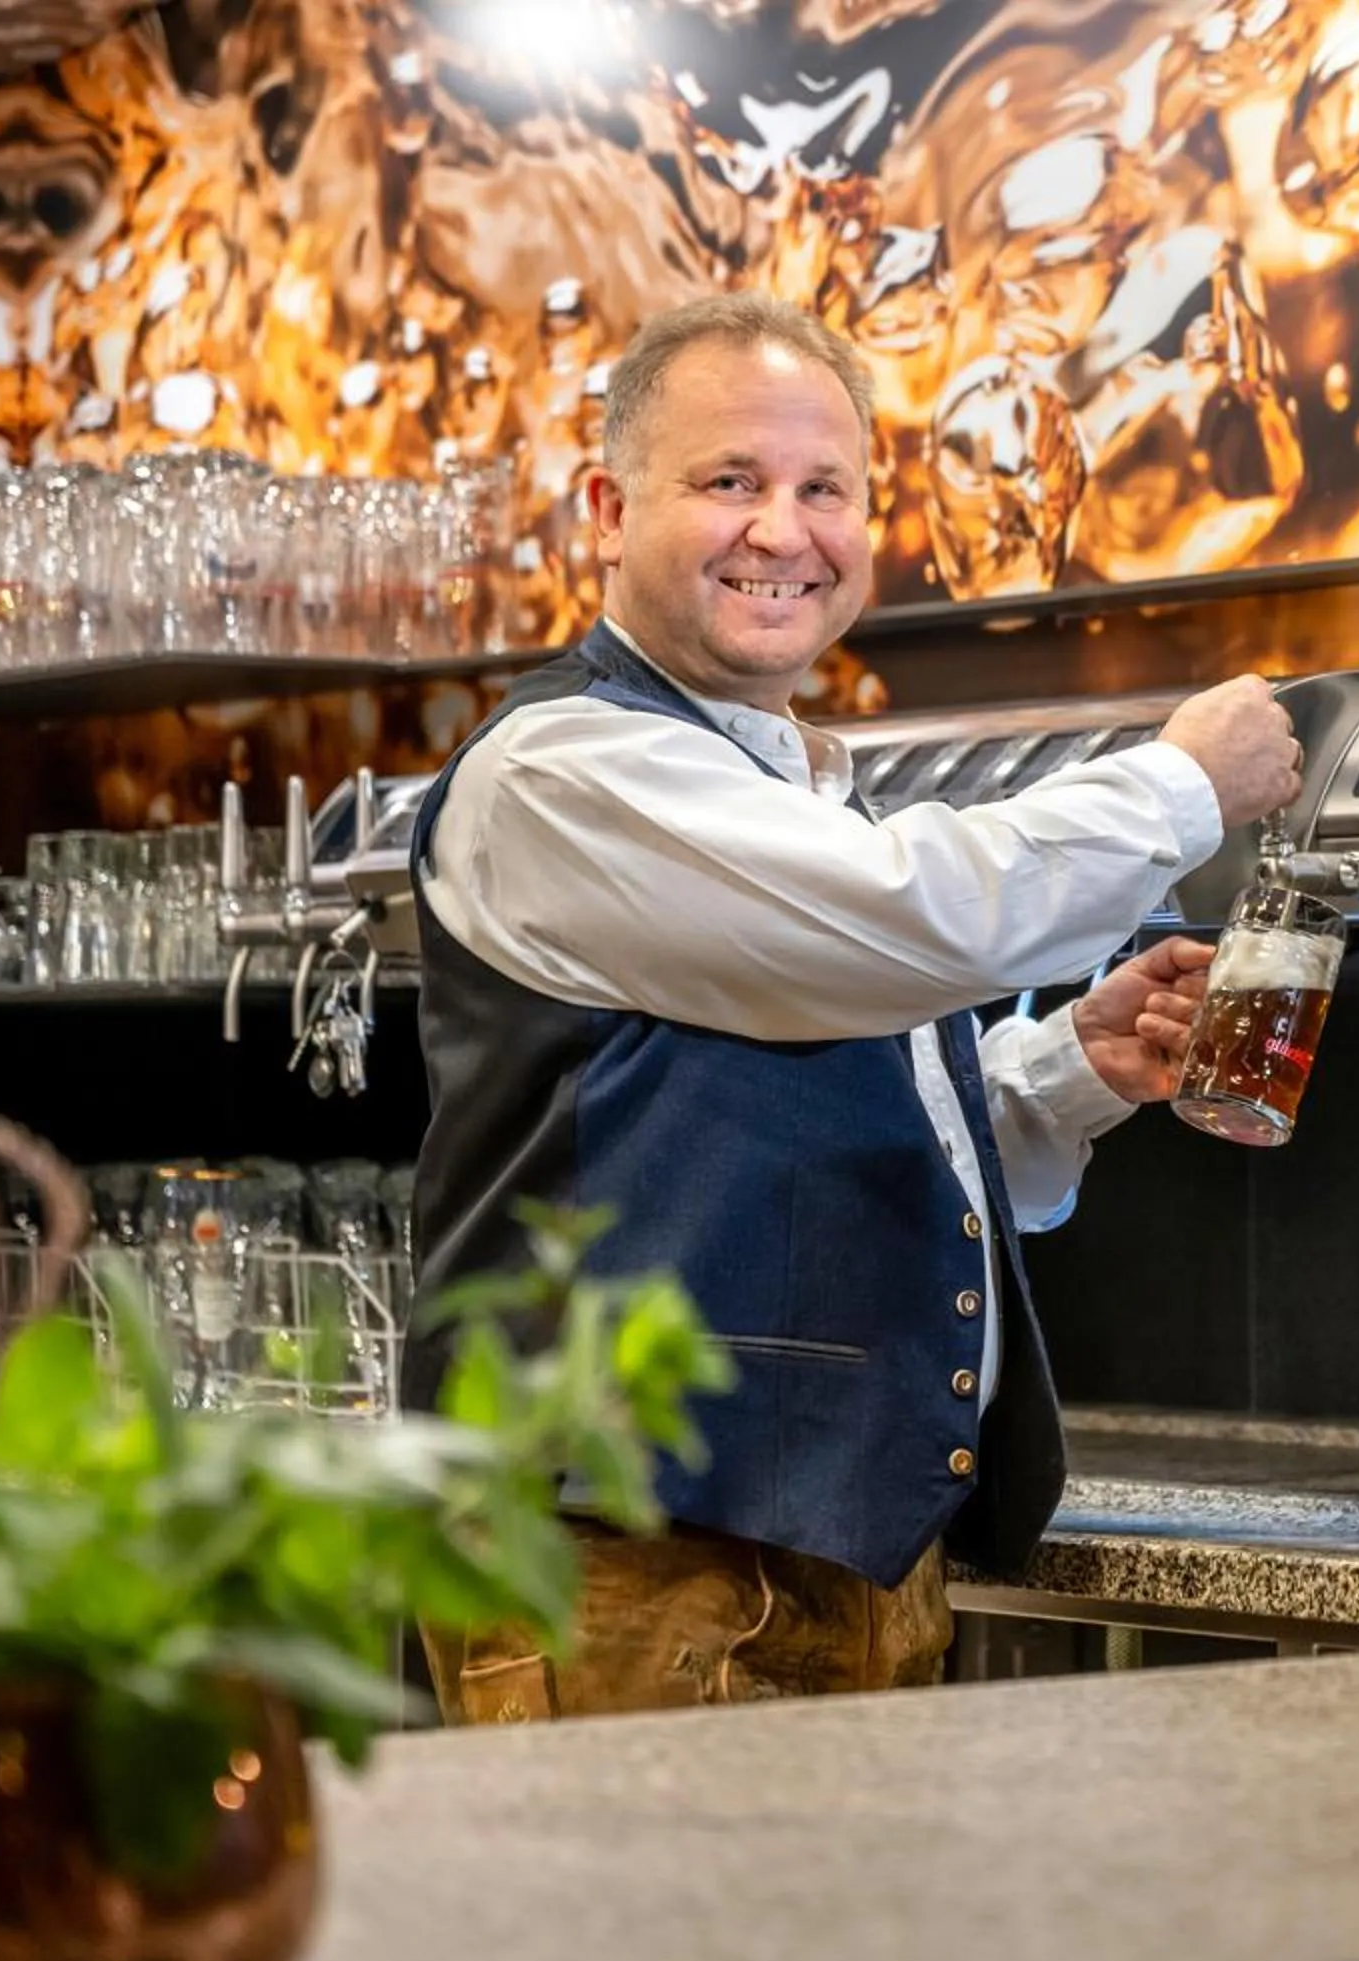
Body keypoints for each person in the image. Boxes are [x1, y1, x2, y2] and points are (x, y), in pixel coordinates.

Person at [404, 292, 1301, 1721]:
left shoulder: (786, 783)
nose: (784, 531)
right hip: (627, 1576)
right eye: (731, 482)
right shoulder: (561, 767)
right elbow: (919, 913)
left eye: (825, 490)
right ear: (610, 511)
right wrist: (1183, 783)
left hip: (849, 1564)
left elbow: (825, 1136)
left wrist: (1071, 1067)